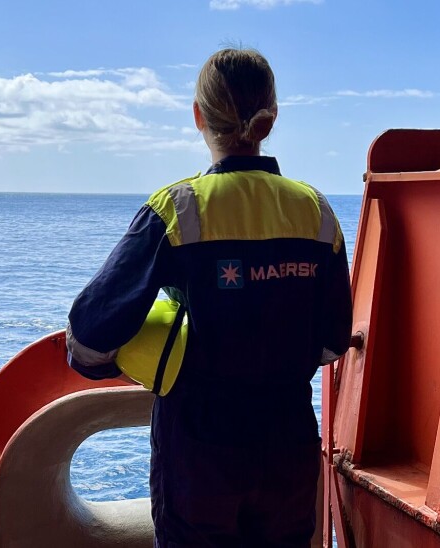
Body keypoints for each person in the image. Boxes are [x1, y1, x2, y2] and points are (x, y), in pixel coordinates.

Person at [66, 48, 353, 548]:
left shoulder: (177, 209)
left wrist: (125, 359)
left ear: (199, 116)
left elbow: (89, 339)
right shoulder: (317, 212)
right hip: (288, 443)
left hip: (199, 452)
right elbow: (331, 342)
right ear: (271, 119)